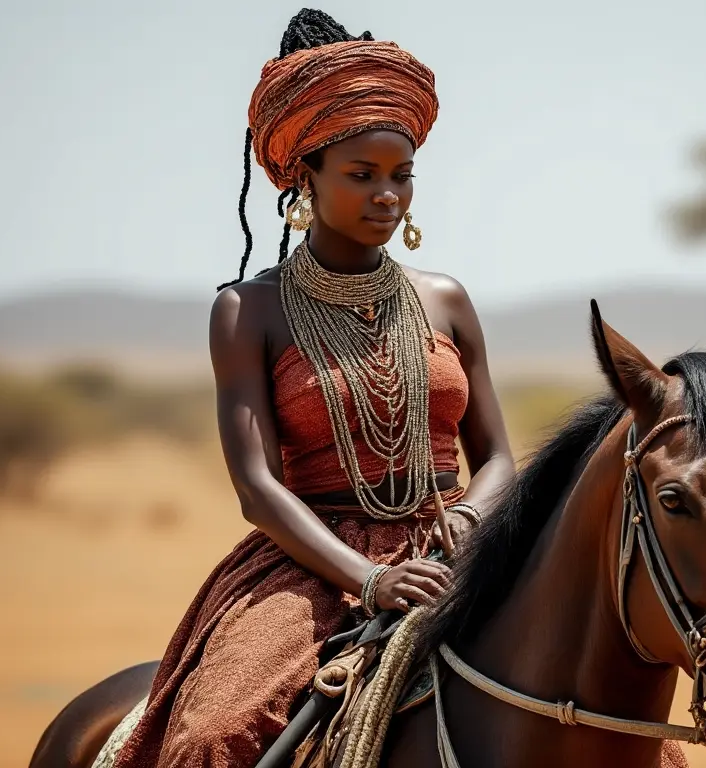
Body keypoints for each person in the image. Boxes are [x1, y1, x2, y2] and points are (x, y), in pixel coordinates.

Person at [112, 9, 515, 766]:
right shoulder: (249, 310)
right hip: (314, 563)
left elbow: (497, 457)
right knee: (212, 738)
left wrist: (469, 518)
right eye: (361, 177)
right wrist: (368, 578)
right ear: (305, 178)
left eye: (401, 176)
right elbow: (257, 487)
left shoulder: (447, 299)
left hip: (456, 545)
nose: (387, 196)